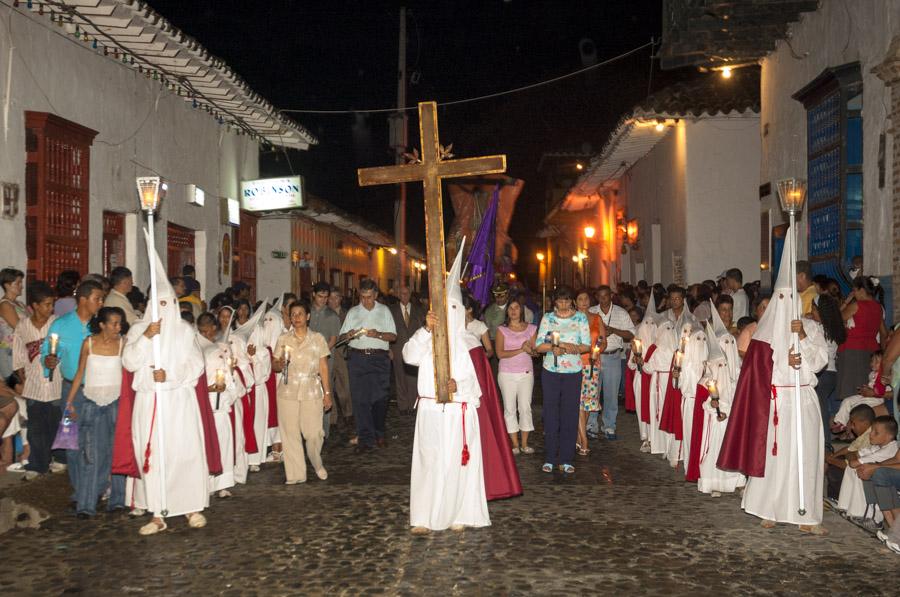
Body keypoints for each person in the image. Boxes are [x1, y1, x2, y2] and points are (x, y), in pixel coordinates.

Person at [719, 227, 829, 534]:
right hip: (777, 402)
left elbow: (820, 361)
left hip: (803, 398)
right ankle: (770, 508)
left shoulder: (811, 327)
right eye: (779, 298)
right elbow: (756, 375)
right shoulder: (763, 337)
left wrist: (803, 342)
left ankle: (806, 515)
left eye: (789, 297)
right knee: (776, 458)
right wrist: (783, 363)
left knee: (805, 456)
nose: (785, 303)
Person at [113, 238, 220, 535]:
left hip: (178, 402)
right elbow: (130, 362)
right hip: (150, 403)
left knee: (183, 453)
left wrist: (171, 376)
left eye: (167, 303)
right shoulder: (137, 330)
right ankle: (157, 512)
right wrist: (147, 336)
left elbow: (196, 365)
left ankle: (190, 507)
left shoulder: (185, 332)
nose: (162, 309)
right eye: (156, 304)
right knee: (154, 456)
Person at [403, 245, 489, 534]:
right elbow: (408, 357)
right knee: (429, 461)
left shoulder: (468, 343)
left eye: (454, 309)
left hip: (456, 411)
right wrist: (426, 331)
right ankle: (424, 517)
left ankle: (459, 512)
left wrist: (458, 386)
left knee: (455, 463)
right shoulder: (425, 338)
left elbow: (476, 386)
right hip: (429, 409)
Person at [42, 279, 105, 502]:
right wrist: (48, 361)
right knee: (71, 442)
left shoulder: (101, 325)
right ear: (83, 299)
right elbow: (47, 352)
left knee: (97, 443)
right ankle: (81, 492)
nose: (101, 303)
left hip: (99, 391)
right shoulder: (60, 325)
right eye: (97, 298)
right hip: (71, 391)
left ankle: (95, 489)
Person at [64, 307, 128, 518]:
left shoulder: (123, 345)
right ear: (102, 324)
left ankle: (117, 500)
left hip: (115, 403)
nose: (118, 327)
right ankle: (86, 505)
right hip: (91, 403)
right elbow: (80, 372)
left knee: (116, 452)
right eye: (114, 323)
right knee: (91, 455)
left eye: (120, 323)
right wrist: (70, 401)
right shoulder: (89, 343)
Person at [273, 300, 331, 484]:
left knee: (313, 433)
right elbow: (275, 364)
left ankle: (316, 462)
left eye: (300, 314)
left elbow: (323, 367)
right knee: (290, 433)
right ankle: (296, 475)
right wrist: (278, 364)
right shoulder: (283, 339)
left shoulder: (318, 339)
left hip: (311, 390)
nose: (296, 317)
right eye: (293, 314)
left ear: (307, 316)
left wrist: (327, 393)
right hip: (288, 390)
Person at [535, 286, 591, 474]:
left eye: (567, 300)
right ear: (555, 302)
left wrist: (568, 347)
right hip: (551, 370)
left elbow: (586, 346)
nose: (564, 304)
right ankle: (550, 457)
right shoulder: (548, 318)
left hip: (573, 372)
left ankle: (566, 458)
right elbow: (538, 345)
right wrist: (552, 348)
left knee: (570, 414)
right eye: (560, 301)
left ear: (572, 301)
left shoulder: (580, 318)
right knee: (551, 413)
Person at [337, 280, 396, 452]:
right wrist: (348, 335)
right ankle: (365, 438)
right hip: (357, 358)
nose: (365, 301)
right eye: (362, 297)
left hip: (378, 359)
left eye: (369, 297)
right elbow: (342, 338)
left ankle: (379, 432)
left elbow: (393, 336)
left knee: (380, 398)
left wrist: (377, 335)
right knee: (360, 400)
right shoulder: (353, 312)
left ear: (376, 295)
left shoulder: (384, 311)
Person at [11, 282, 60, 478]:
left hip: (55, 385)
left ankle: (58, 458)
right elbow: (19, 358)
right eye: (47, 304)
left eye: (52, 304)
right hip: (34, 386)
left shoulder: (57, 324)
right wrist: (22, 379)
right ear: (35, 306)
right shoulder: (23, 327)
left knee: (55, 425)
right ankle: (38, 464)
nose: (50, 308)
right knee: (36, 428)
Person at [197, 312, 238, 498]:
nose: (205, 335)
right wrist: (209, 388)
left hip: (220, 406)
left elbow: (227, 377)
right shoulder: (198, 351)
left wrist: (228, 383)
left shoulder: (219, 349)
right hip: (206, 404)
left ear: (214, 329)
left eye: (207, 331)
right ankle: (207, 482)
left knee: (224, 442)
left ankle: (222, 483)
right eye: (201, 332)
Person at [588, 285, 634, 440]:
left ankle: (609, 425)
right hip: (595, 356)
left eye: (605, 296)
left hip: (613, 356)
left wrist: (613, 330)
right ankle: (591, 424)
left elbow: (630, 334)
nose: (603, 299)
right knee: (593, 392)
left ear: (611, 296)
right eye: (600, 296)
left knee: (611, 394)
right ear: (596, 297)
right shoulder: (592, 312)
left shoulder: (621, 313)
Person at [495, 296, 537, 454]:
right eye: (510, 308)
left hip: (526, 373)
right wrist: (521, 349)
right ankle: (514, 444)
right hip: (507, 374)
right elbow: (499, 353)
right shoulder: (502, 329)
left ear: (522, 310)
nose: (513, 311)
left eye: (516, 308)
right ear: (507, 311)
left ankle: (525, 443)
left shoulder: (531, 328)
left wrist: (531, 350)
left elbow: (535, 352)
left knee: (525, 407)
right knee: (509, 408)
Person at [836, 276, 887, 401]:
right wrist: (883, 353)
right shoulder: (878, 308)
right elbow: (884, 333)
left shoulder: (857, 305)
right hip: (871, 352)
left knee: (851, 392)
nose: (853, 293)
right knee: (866, 389)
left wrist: (846, 302)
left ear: (862, 290)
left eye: (854, 290)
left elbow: (836, 318)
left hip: (852, 351)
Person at [838, 415, 897, 520]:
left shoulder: (889, 450)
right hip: (881, 478)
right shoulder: (877, 447)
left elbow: (853, 462)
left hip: (888, 482)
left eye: (876, 432)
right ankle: (847, 507)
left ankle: (870, 515)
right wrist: (854, 458)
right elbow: (852, 453)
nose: (871, 435)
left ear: (888, 436)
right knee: (854, 468)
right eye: (871, 431)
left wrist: (855, 459)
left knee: (861, 470)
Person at [809, 294, 845, 447]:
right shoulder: (833, 326)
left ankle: (825, 442)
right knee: (821, 407)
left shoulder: (818, 329)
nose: (811, 312)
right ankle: (824, 441)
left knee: (820, 409)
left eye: (814, 309)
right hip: (831, 373)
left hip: (822, 373)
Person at [309, 282, 341, 436]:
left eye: (325, 297)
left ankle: (324, 431)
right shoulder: (306, 312)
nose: (322, 300)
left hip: (325, 360)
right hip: (306, 359)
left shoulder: (331, 315)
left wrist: (320, 353)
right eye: (320, 296)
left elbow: (333, 339)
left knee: (325, 391)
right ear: (313, 295)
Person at [575, 289, 605, 455]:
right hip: (575, 364)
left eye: (586, 298)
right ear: (575, 302)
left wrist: (597, 350)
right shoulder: (571, 319)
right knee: (579, 401)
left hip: (593, 364)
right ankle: (584, 440)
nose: (584, 301)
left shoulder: (596, 318)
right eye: (580, 298)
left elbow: (603, 340)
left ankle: (579, 437)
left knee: (587, 403)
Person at [831, 351, 892, 430]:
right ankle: (840, 422)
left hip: (877, 399)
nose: (873, 363)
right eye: (872, 361)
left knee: (857, 407)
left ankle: (851, 424)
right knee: (847, 401)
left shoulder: (886, 374)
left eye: (876, 361)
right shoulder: (871, 374)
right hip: (867, 396)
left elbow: (882, 390)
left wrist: (873, 390)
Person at [389, 286, 426, 415]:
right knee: (399, 377)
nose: (404, 296)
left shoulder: (418, 310)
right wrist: (389, 348)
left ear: (410, 294)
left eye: (406, 294)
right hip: (397, 348)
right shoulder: (391, 310)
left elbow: (423, 329)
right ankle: (403, 405)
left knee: (413, 378)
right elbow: (388, 329)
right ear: (398, 295)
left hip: (414, 349)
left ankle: (413, 405)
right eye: (402, 294)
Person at [328, 289, 354, 438]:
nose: (333, 301)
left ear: (340, 299)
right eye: (330, 298)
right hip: (328, 354)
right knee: (329, 388)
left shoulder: (347, 314)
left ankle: (348, 414)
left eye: (336, 298)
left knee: (344, 388)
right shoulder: (324, 314)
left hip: (342, 354)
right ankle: (332, 419)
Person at [0, 268, 26, 380]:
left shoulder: (20, 304)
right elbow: (20, 328)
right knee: (17, 388)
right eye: (18, 283)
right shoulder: (5, 305)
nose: (22, 286)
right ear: (7, 285)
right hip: (10, 352)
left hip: (21, 351)